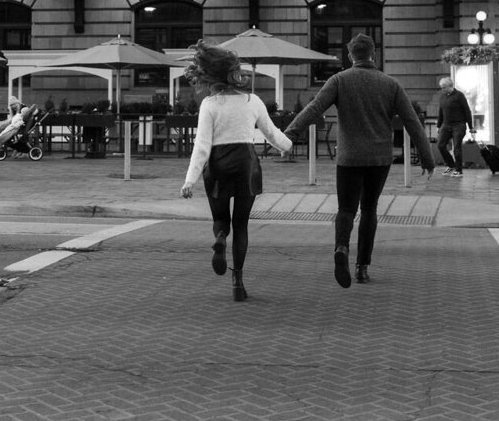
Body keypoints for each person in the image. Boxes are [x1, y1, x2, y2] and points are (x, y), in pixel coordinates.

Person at [284, 32, 434, 289]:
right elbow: (412, 122)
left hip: (349, 157)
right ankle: (362, 266)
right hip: (379, 158)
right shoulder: (390, 84)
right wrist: (427, 157)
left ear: (350, 55)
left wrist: (289, 134)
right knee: (369, 209)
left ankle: (341, 247)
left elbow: (314, 108)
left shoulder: (339, 80)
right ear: (373, 53)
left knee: (346, 209)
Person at [179, 41, 293, 301]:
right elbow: (272, 133)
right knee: (241, 224)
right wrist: (287, 145)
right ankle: (237, 282)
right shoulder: (252, 101)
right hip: (246, 165)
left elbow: (202, 146)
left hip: (218, 165)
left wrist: (190, 180)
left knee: (222, 219)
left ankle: (220, 237)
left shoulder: (209, 104)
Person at [436, 76, 475, 178]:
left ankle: (459, 170)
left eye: (444, 87)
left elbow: (467, 111)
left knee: (456, 147)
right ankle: (450, 165)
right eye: (441, 87)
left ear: (451, 86)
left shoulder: (459, 96)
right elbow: (441, 112)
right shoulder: (442, 96)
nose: (442, 89)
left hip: (459, 125)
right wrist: (438, 126)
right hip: (446, 124)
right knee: (440, 145)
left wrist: (471, 127)